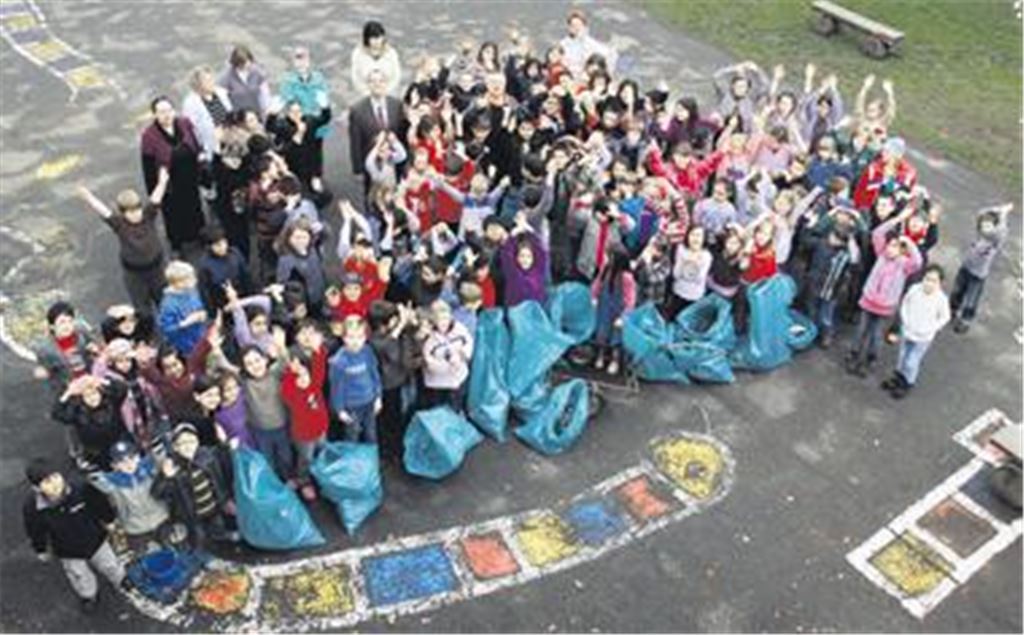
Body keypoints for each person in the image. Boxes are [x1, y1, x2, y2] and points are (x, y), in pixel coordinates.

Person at [23, 459, 128, 614]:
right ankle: (89, 595)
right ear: (37, 488)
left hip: (95, 539)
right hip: (67, 550)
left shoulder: (80, 488)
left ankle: (121, 581)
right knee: (79, 575)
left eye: (56, 476)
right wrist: (40, 549)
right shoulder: (33, 507)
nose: (55, 484)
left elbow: (99, 503)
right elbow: (35, 530)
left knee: (110, 564)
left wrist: (109, 519)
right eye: (47, 481)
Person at [75, 168, 170, 316]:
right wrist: (88, 197)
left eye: (137, 209)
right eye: (130, 212)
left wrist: (162, 181)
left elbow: (156, 198)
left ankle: (167, 325)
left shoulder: (148, 215)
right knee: (142, 308)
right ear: (123, 213)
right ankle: (147, 331)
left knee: (164, 301)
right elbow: (103, 210)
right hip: (135, 274)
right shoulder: (119, 224)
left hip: (156, 268)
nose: (136, 214)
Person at [845, 212, 922, 377]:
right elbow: (877, 233)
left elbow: (918, 262)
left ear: (902, 251)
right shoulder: (881, 255)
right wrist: (899, 219)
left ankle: (870, 360)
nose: (892, 249)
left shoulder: (904, 265)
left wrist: (908, 242)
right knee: (861, 331)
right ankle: (854, 354)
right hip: (868, 301)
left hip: (885, 307)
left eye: (897, 247)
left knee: (876, 336)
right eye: (890, 245)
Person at [153, 423, 238, 550]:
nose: (188, 446)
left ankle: (223, 542)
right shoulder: (172, 466)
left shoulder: (207, 456)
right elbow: (157, 493)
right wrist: (166, 477)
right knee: (200, 542)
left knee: (220, 531)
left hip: (214, 508)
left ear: (198, 442)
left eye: (192, 441)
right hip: (193, 516)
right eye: (182, 443)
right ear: (175, 447)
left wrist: (225, 444)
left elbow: (224, 461)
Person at [140, 96, 205, 254]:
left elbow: (195, 144)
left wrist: (201, 164)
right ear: (155, 115)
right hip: (170, 185)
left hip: (189, 178)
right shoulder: (149, 136)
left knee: (194, 207)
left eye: (169, 110)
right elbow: (148, 167)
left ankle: (198, 235)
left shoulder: (184, 123)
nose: (167, 115)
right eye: (162, 112)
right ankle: (177, 245)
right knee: (173, 215)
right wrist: (155, 192)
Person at [882, 265, 950, 399]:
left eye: (934, 281)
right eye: (927, 279)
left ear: (940, 283)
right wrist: (905, 319)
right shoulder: (915, 290)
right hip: (908, 331)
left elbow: (945, 317)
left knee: (912, 361)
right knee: (902, 356)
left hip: (923, 337)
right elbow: (905, 303)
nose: (929, 283)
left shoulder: (941, 299)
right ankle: (897, 377)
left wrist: (932, 328)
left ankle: (907, 383)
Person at [87, 440, 171, 549]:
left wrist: (158, 449)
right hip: (136, 530)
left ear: (139, 457)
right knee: (149, 560)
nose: (128, 464)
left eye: (131, 458)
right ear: (114, 466)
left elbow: (160, 459)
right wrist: (90, 472)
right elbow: (97, 480)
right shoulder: (113, 483)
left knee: (175, 553)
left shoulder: (150, 470)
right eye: (121, 461)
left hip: (162, 519)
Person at [950, 204, 1012, 334]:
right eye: (984, 225)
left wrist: (1003, 214)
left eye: (989, 226)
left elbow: (1002, 231)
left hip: (978, 276)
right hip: (965, 268)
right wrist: (995, 209)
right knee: (957, 290)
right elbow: (980, 214)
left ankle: (965, 321)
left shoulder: (995, 241)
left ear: (994, 227)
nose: (986, 228)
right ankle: (952, 310)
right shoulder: (980, 235)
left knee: (971, 299)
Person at [281, 335, 328, 501]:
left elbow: (320, 364)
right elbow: (288, 396)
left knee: (322, 452)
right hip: (303, 435)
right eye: (295, 365)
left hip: (321, 428)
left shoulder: (315, 381)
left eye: (303, 366)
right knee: (305, 459)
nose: (300, 369)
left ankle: (322, 475)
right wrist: (291, 373)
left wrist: (317, 350)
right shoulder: (290, 387)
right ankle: (304, 481)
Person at [349, 69, 404, 196]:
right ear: (368, 85)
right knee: (372, 195)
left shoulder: (396, 105)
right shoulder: (357, 110)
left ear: (386, 83)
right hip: (372, 162)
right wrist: (357, 169)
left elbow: (401, 133)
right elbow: (355, 142)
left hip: (394, 159)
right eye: (373, 81)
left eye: (381, 81)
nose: (377, 84)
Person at [328, 316, 382, 443]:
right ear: (344, 338)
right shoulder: (338, 362)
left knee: (371, 434)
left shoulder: (367, 351)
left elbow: (374, 374)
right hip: (351, 407)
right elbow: (336, 389)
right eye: (351, 337)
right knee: (352, 437)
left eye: (359, 337)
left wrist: (378, 396)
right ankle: (352, 461)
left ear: (365, 337)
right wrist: (340, 410)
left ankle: (371, 460)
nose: (355, 341)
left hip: (369, 402)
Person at [421, 299, 473, 411]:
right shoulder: (428, 337)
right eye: (440, 319)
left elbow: (468, 342)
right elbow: (429, 362)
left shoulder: (459, 328)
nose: (445, 322)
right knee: (438, 409)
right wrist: (448, 365)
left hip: (459, 378)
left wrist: (462, 355)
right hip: (438, 383)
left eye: (447, 318)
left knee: (456, 407)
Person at [592, 250, 636, 375]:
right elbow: (597, 283)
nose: (606, 258)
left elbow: (630, 299)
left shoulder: (626, 277)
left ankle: (614, 360)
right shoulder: (605, 270)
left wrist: (624, 316)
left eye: (609, 256)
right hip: (604, 307)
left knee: (616, 337)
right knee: (601, 332)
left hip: (618, 310)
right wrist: (594, 297)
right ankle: (600, 356)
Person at [181, 65, 234, 162]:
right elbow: (192, 130)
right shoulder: (190, 103)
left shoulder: (222, 93)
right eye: (207, 81)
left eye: (212, 79)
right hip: (212, 143)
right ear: (198, 84)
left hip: (231, 137)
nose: (212, 82)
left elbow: (231, 112)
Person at [158, 261, 208, 356]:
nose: (195, 280)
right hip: (186, 348)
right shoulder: (168, 305)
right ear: (178, 283)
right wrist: (184, 323)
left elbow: (200, 306)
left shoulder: (192, 292)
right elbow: (167, 330)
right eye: (190, 278)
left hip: (201, 339)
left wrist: (202, 315)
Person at [559, 9, 617, 79]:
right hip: (568, 77)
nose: (576, 28)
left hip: (586, 78)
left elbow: (609, 54)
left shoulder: (590, 43)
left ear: (584, 26)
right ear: (569, 27)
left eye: (578, 25)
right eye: (573, 25)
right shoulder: (563, 44)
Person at [668, 226, 713, 317]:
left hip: (695, 295)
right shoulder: (681, 249)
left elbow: (698, 278)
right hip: (678, 291)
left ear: (704, 238)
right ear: (687, 236)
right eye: (693, 234)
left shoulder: (706, 256)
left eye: (699, 235)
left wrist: (695, 264)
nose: (695, 238)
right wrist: (686, 262)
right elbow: (676, 274)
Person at [218, 45, 271, 120]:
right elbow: (223, 96)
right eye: (245, 63)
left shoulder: (257, 71)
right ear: (237, 63)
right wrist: (230, 113)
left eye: (249, 61)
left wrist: (266, 108)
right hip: (239, 116)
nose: (248, 64)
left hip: (256, 113)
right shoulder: (227, 76)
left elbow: (264, 93)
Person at [351, 21, 402, 97]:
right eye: (373, 38)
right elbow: (356, 78)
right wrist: (367, 94)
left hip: (389, 94)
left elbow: (396, 76)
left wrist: (385, 92)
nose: (376, 41)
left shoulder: (391, 53)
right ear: (367, 39)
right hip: (365, 96)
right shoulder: (358, 54)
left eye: (379, 37)